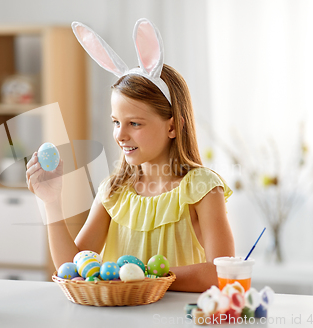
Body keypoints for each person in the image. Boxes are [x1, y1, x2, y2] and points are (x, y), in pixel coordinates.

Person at [26, 19, 234, 292]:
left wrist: (142, 278)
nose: (120, 135)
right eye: (116, 122)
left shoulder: (201, 188)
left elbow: (221, 273)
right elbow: (72, 270)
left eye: (134, 123)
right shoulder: (113, 192)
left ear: (172, 126)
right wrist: (52, 202)